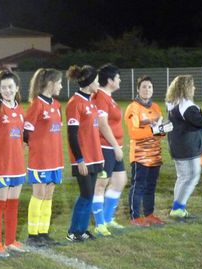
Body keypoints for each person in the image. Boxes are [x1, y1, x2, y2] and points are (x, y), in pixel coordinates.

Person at [166, 75, 202, 218]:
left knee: (182, 177)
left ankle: (177, 207)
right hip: (187, 147)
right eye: (192, 86)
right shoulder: (186, 106)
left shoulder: (174, 103)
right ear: (186, 88)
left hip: (178, 146)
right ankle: (178, 208)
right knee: (192, 177)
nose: (194, 88)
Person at [0, 70, 28, 257]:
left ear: (17, 88)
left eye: (10, 86)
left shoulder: (20, 110)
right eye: (3, 87)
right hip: (1, 165)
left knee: (13, 204)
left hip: (18, 164)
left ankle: (10, 241)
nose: (7, 90)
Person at [23, 68, 64, 247]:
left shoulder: (56, 105)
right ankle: (32, 235)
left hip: (55, 159)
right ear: (51, 83)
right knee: (39, 195)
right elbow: (26, 132)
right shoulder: (36, 104)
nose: (61, 86)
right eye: (59, 82)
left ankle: (43, 233)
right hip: (40, 160)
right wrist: (37, 148)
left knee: (48, 196)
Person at [124, 76, 172, 226]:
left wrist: (163, 129)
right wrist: (154, 129)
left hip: (155, 154)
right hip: (140, 155)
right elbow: (134, 133)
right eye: (144, 87)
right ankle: (135, 217)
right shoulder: (133, 108)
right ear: (138, 89)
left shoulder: (156, 107)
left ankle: (149, 214)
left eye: (149, 87)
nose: (147, 90)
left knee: (151, 186)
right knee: (138, 186)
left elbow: (159, 133)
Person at [65, 65, 104, 241]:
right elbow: (72, 135)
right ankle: (73, 231)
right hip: (83, 159)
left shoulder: (90, 101)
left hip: (94, 157)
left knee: (90, 194)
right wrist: (79, 159)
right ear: (88, 83)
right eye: (96, 80)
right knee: (86, 193)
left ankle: (82, 229)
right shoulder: (75, 103)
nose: (99, 83)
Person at [92, 64, 126, 237]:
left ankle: (107, 218)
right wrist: (114, 146)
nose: (120, 80)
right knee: (101, 184)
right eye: (118, 77)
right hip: (105, 147)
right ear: (110, 80)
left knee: (120, 181)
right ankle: (99, 224)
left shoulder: (109, 98)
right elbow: (102, 125)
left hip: (114, 147)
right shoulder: (101, 98)